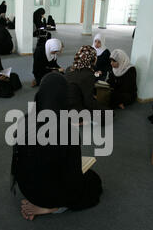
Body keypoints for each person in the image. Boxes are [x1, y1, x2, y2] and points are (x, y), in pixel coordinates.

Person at [11, 72, 103, 220]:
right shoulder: (67, 132)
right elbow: (72, 178)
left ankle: (42, 202)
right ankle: (52, 208)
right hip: (49, 195)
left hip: (26, 188)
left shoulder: (25, 120)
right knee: (93, 180)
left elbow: (18, 162)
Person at [65, 45, 109, 113]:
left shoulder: (69, 69)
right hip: (75, 108)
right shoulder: (89, 75)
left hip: (63, 104)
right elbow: (88, 103)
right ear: (92, 59)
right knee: (108, 113)